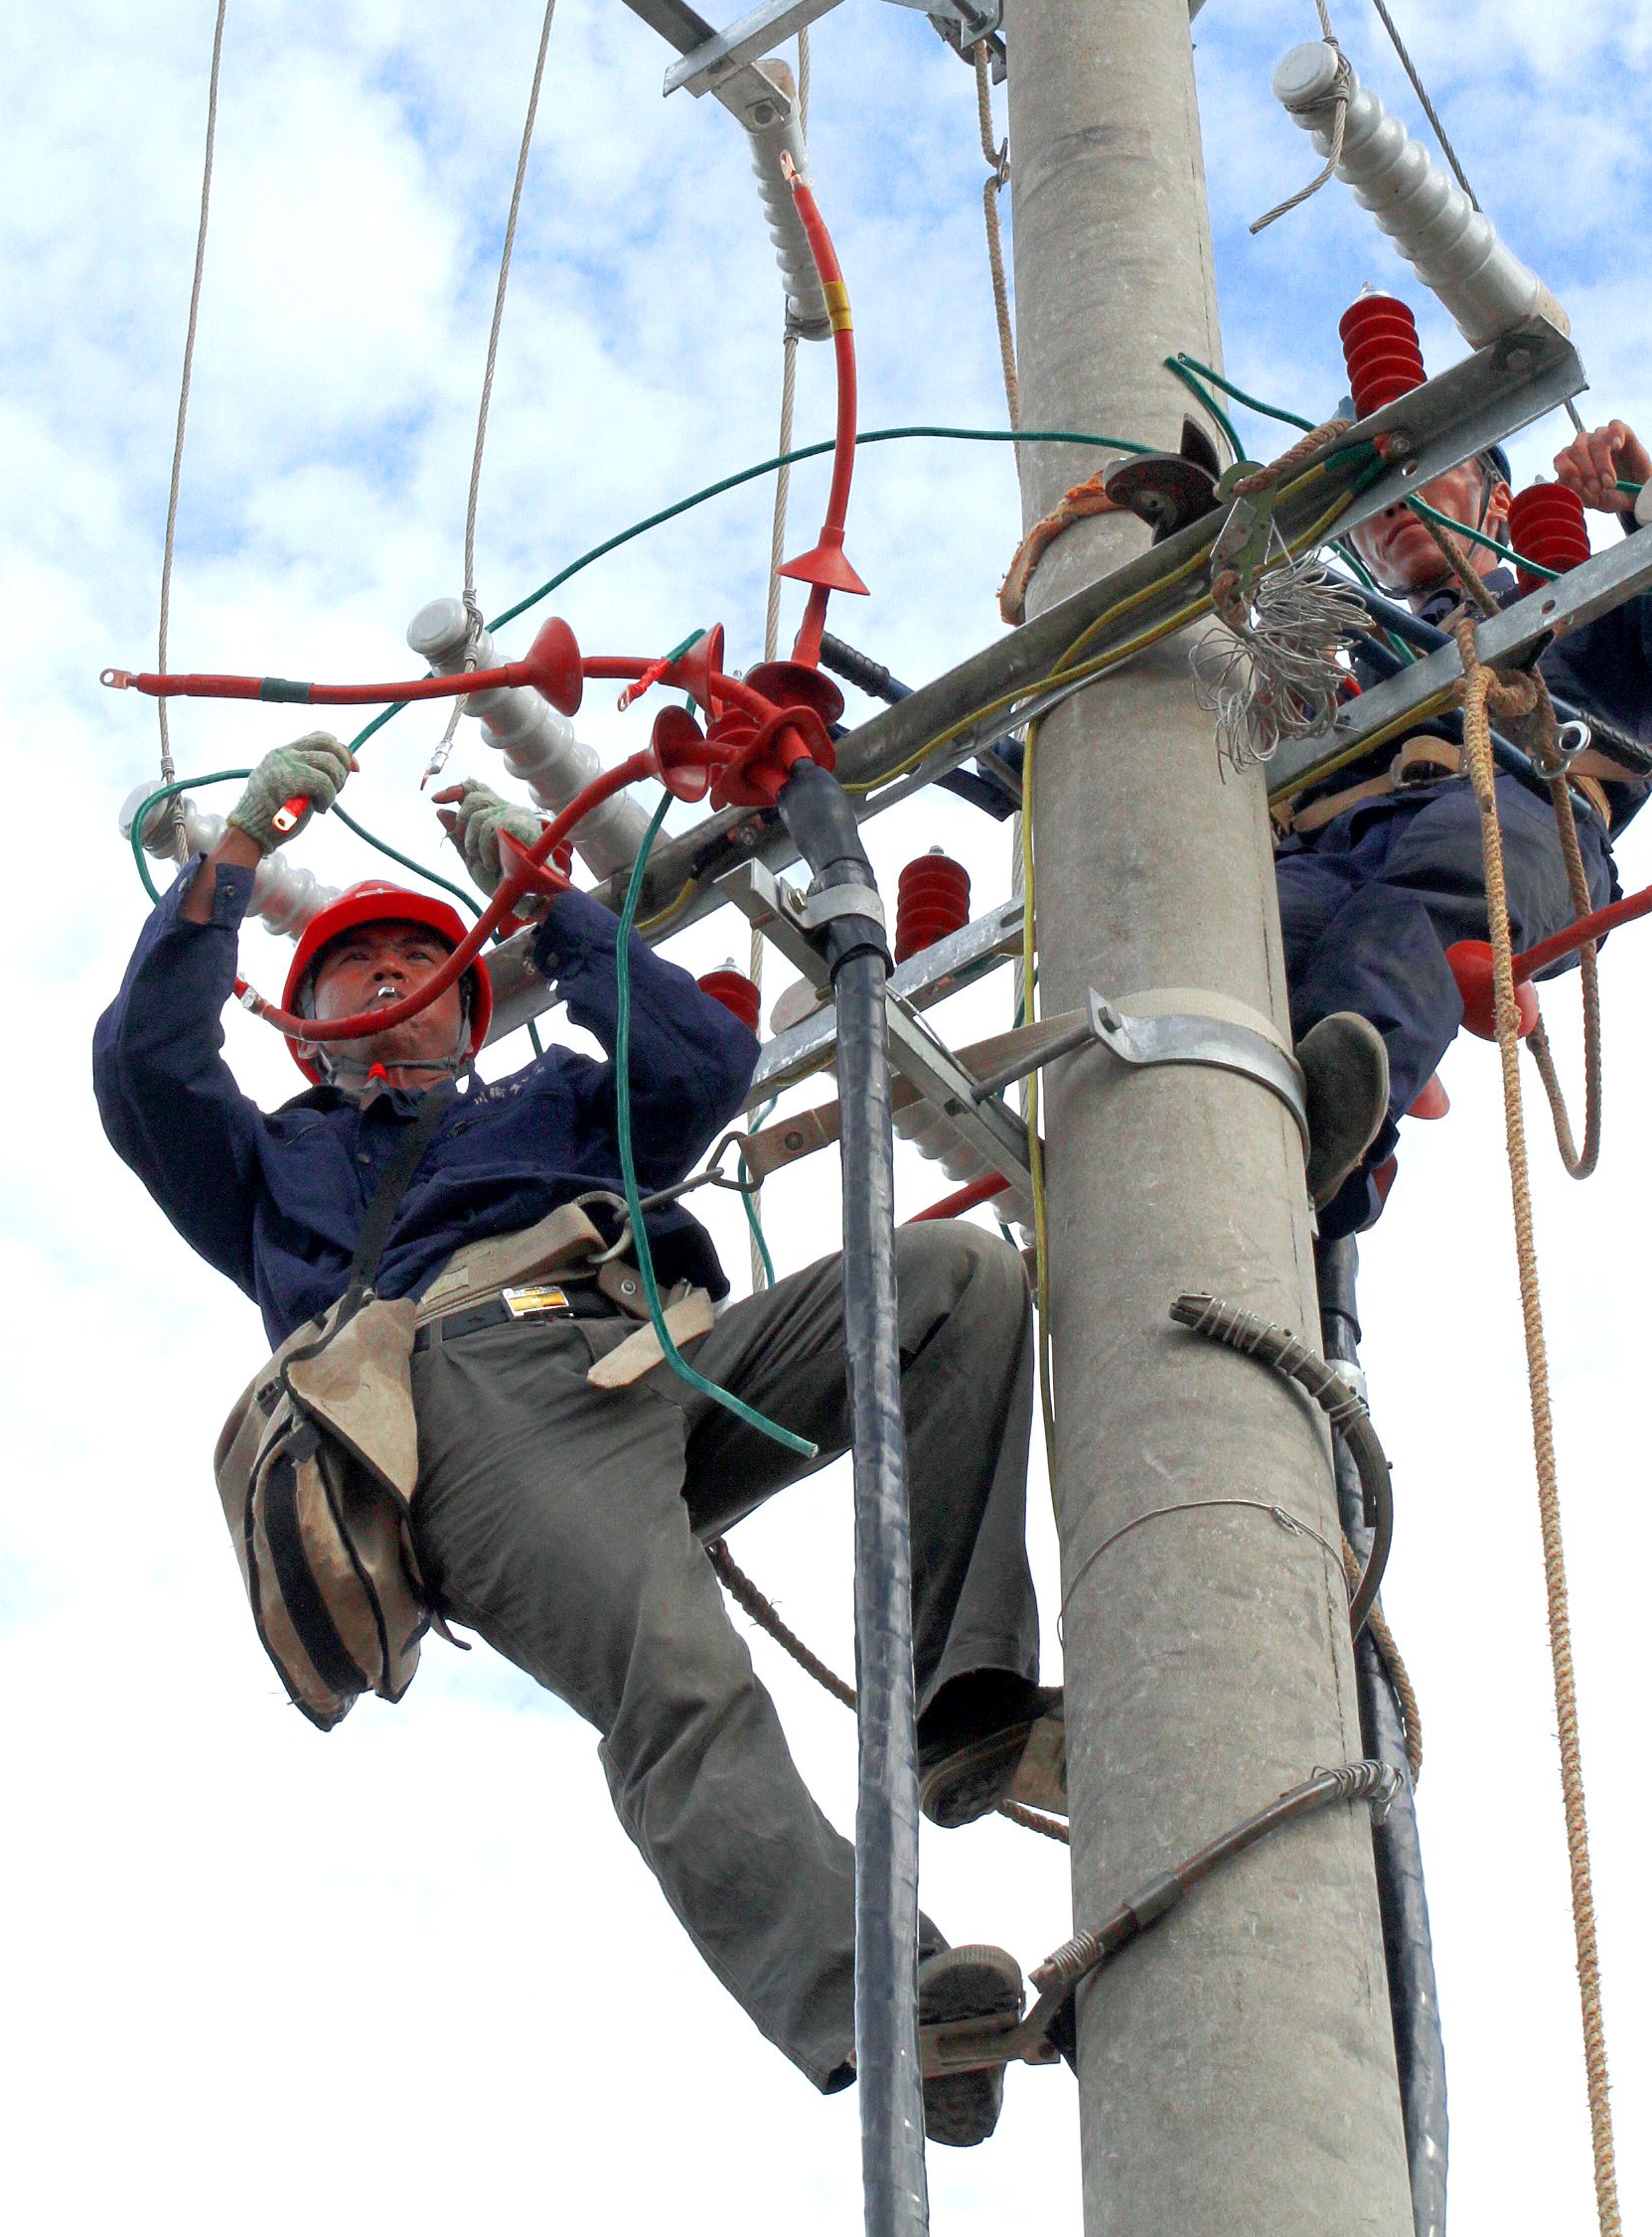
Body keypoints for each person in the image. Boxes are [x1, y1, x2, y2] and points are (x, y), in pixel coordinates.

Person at [92, 734, 1055, 2142]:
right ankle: (881, 2002)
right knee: (675, 1677)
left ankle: (962, 1704)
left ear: (468, 1012)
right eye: (351, 972)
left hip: (649, 1348)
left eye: (416, 966)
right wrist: (235, 856)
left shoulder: (549, 1103)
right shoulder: (271, 1169)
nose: (384, 982)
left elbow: (699, 1064)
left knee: (954, 1286)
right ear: (302, 1032)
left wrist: (545, 896)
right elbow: (145, 1070)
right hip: (475, 1408)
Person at [1277, 415, 1652, 1238]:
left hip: (1523, 815)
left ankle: (1320, 1128)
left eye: (1429, 474)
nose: (1397, 507)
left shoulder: (1577, 604)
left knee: (1440, 877)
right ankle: (1267, 1163)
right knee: (1249, 930)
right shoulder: (1350, 674)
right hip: (1337, 843)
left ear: (1497, 504)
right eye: (1375, 507)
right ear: (1365, 558)